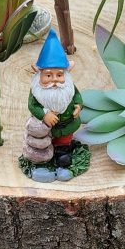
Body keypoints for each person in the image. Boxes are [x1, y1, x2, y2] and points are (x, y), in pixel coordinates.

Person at [27, 30, 83, 168]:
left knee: (65, 140)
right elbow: (32, 105)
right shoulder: (37, 91)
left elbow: (77, 95)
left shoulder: (68, 87)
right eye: (48, 76)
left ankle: (62, 150)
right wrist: (44, 114)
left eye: (59, 75)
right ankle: (45, 153)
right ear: (39, 74)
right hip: (47, 129)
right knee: (45, 140)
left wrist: (78, 106)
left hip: (68, 124)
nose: (54, 80)